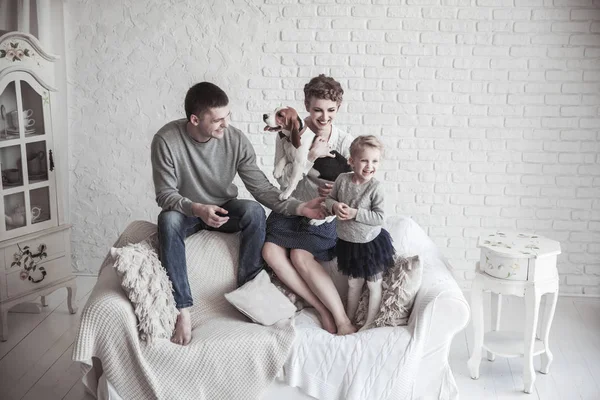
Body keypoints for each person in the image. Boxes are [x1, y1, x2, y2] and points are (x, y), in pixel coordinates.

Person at [151, 82, 325, 346]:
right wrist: (197, 209)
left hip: (222, 207)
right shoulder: (166, 140)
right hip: (187, 210)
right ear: (195, 119)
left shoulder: (235, 139)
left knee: (253, 211)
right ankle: (182, 309)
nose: (226, 124)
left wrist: (299, 207)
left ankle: (250, 292)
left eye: (227, 116)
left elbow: (261, 188)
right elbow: (165, 195)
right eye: (218, 119)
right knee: (167, 218)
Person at [262, 75, 356, 335]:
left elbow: (360, 183)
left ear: (339, 108)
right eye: (317, 110)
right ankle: (320, 308)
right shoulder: (290, 131)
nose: (324, 117)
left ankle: (341, 319)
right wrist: (311, 158)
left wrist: (339, 191)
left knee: (299, 255)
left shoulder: (345, 143)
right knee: (270, 252)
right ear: (306, 106)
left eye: (330, 110)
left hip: (322, 212)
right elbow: (280, 178)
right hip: (293, 206)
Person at [325, 135, 395, 331]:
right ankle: (350, 318)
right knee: (354, 283)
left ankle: (369, 322)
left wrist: (355, 213)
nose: (369, 166)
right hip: (349, 243)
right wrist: (335, 206)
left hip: (370, 244)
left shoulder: (375, 188)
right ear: (351, 161)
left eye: (375, 161)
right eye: (364, 160)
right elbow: (329, 200)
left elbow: (380, 217)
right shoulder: (342, 180)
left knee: (373, 284)